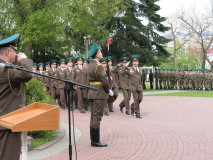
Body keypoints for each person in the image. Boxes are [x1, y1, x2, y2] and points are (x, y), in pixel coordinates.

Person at [0, 34, 33, 159]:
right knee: (9, 156)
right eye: (15, 51)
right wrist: (24, 59)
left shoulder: (5, 68)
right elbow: (27, 74)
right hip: (7, 122)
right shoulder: (4, 69)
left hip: (5, 121)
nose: (16, 54)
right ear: (8, 51)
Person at [87, 42, 109, 147]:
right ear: (97, 54)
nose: (101, 53)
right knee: (97, 117)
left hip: (92, 92)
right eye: (100, 52)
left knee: (93, 116)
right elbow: (105, 81)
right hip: (99, 93)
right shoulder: (98, 66)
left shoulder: (90, 65)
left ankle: (93, 140)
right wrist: (109, 91)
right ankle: (95, 141)